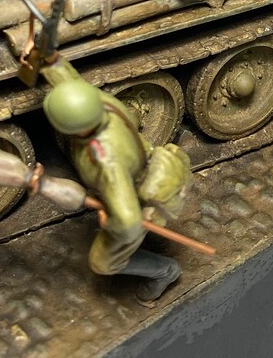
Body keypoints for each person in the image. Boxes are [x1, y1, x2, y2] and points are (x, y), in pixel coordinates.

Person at [41, 56, 192, 304]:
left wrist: (110, 220)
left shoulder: (106, 160)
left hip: (138, 198)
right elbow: (73, 85)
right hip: (146, 164)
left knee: (103, 262)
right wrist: (49, 60)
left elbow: (129, 221)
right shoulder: (103, 104)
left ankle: (165, 271)